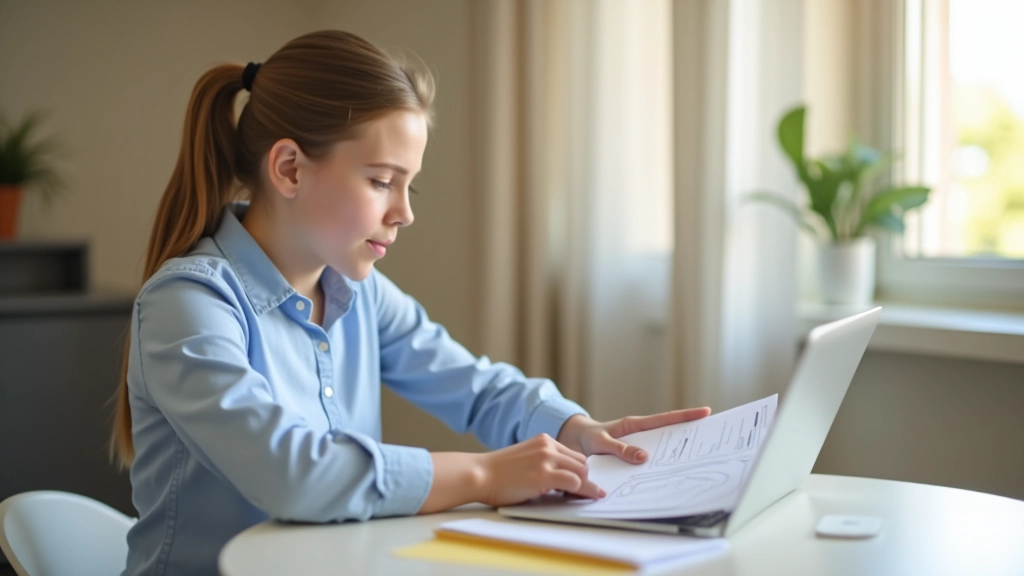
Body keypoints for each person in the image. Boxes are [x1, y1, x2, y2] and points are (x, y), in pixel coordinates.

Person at [109, 30, 711, 576]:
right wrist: (483, 475)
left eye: (408, 184)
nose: (404, 212)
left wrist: (576, 430)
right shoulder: (189, 304)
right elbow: (293, 475)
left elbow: (475, 387)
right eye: (380, 181)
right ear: (290, 168)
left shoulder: (358, 293)